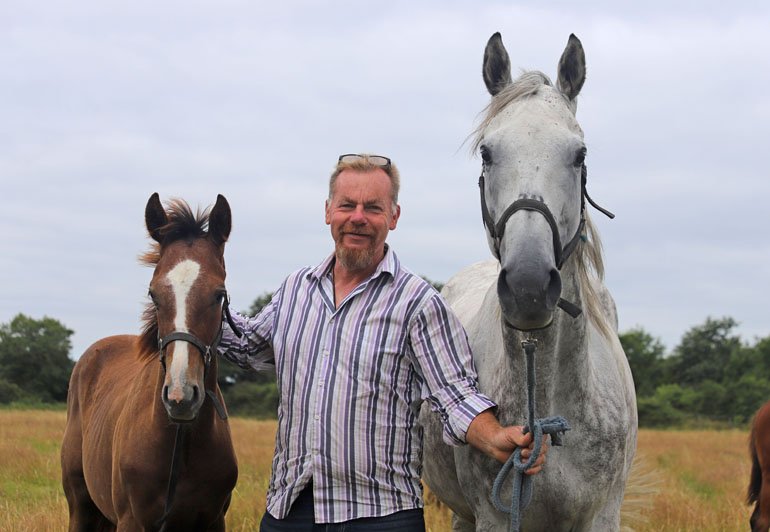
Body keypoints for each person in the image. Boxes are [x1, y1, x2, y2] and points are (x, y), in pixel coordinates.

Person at [218, 153, 547, 531]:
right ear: (328, 211)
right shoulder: (295, 290)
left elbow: (455, 395)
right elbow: (246, 346)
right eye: (347, 205)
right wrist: (184, 297)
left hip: (382, 515)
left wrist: (495, 437)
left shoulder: (418, 303)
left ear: (393, 216)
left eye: (373, 208)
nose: (358, 217)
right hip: (290, 512)